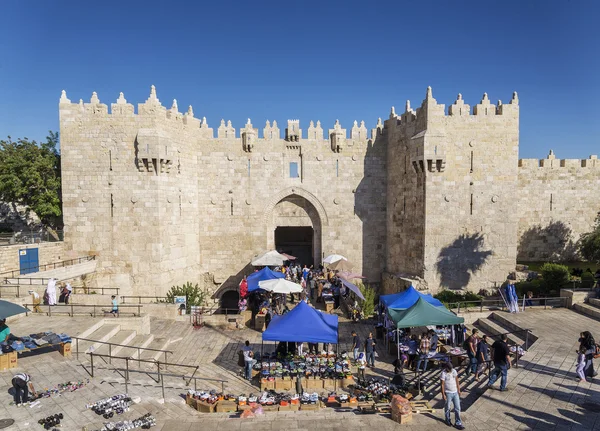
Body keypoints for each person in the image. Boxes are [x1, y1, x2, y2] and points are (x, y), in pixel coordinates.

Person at [441, 362, 464, 430]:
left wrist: (459, 390)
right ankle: (447, 420)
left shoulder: (454, 371)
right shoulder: (443, 373)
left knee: (457, 408)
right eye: (449, 369)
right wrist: (443, 394)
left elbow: (457, 380)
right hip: (448, 393)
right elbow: (442, 384)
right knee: (447, 407)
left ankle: (458, 423)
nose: (451, 370)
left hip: (455, 392)